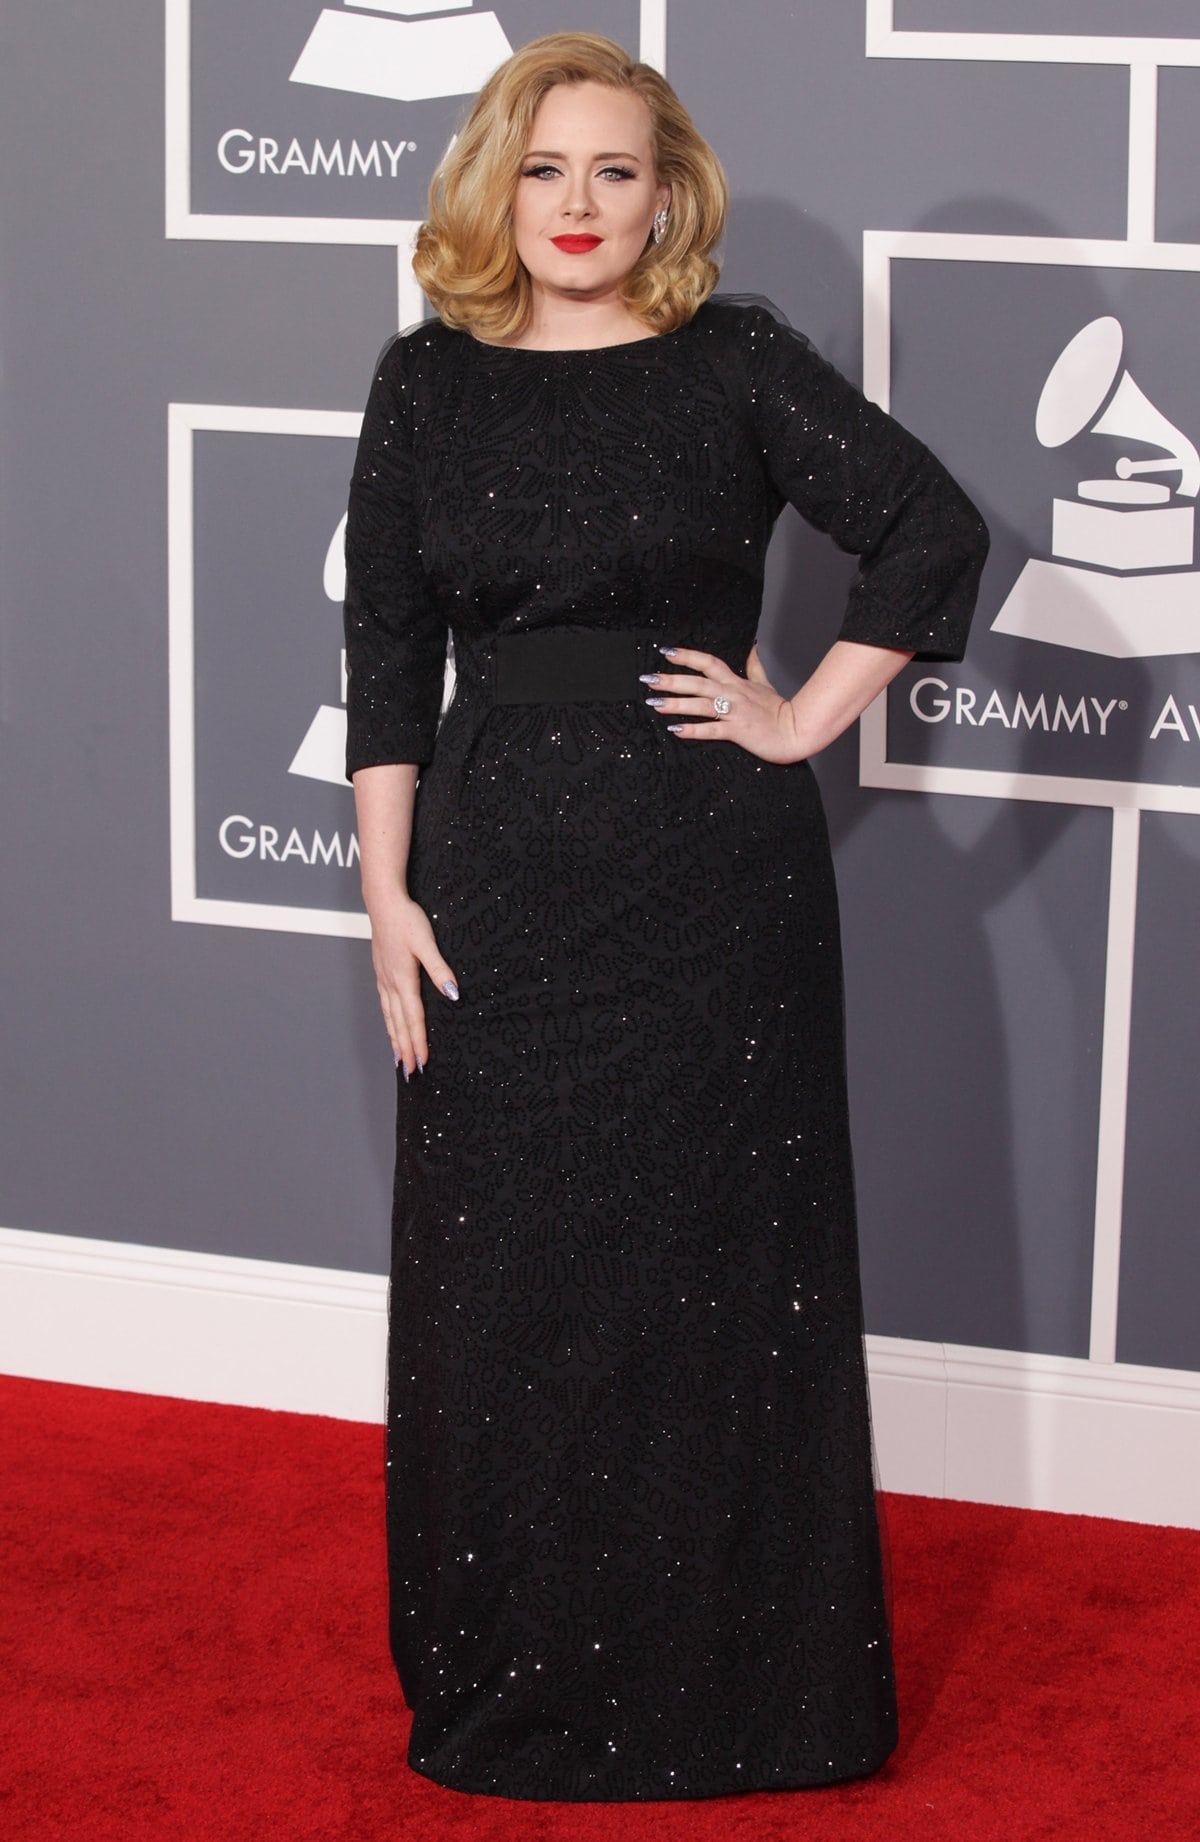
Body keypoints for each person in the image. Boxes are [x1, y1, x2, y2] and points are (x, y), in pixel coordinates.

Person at [343, 30, 988, 1803]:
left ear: (666, 192)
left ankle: (751, 1702)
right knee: (510, 1281)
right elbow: (387, 656)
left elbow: (932, 529)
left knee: (720, 1280)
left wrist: (800, 713)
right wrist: (385, 893)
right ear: (497, 181)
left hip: (711, 890)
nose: (578, 204)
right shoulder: (426, 385)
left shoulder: (736, 363)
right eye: (547, 168)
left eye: (615, 171)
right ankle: (520, 1693)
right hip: (493, 881)